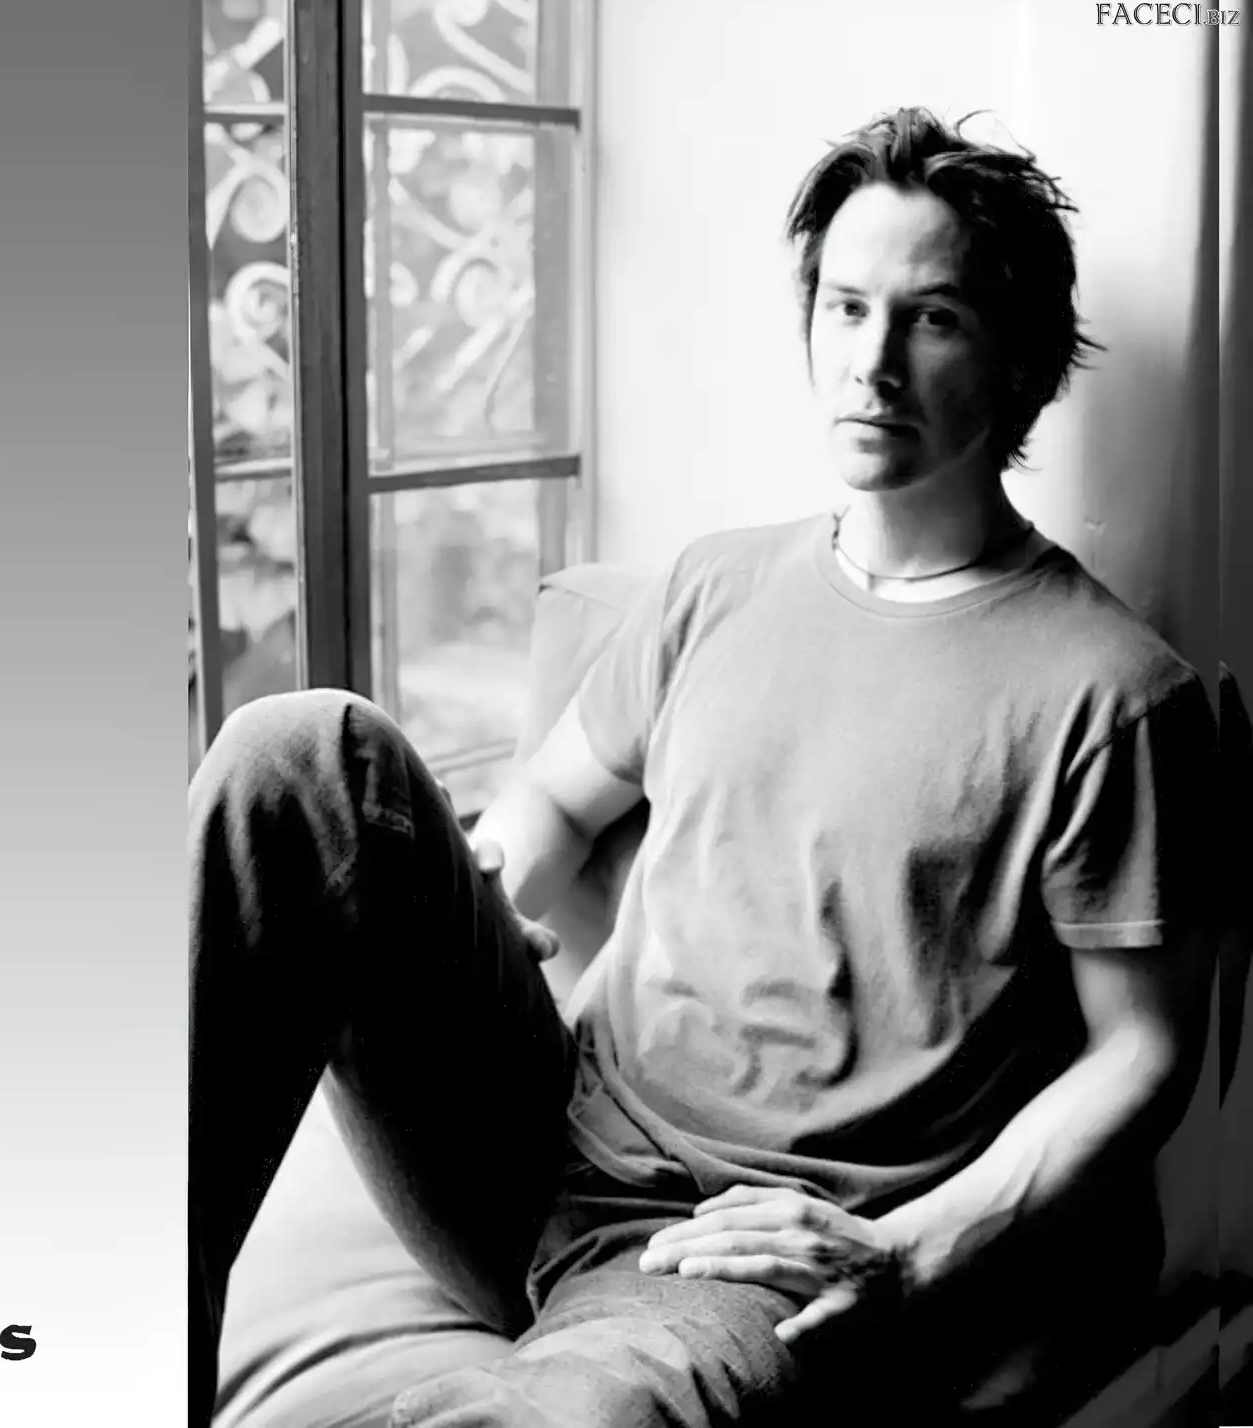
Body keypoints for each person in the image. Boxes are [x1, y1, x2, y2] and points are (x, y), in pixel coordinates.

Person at [188, 107, 1219, 1428]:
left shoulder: (1114, 696)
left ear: (1020, 357)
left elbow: (1144, 1054)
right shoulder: (713, 586)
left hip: (726, 1253)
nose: (873, 363)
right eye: (846, 309)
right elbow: (553, 800)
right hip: (535, 1135)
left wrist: (909, 1252)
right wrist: (494, 886)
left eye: (933, 319)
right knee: (301, 752)